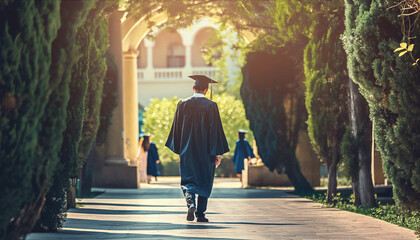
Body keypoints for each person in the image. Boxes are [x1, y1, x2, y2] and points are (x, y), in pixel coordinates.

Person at [166, 75, 229, 223]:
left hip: (187, 151)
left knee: (188, 180)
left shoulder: (182, 104)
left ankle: (190, 203)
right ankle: (200, 214)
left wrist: (180, 150)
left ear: (193, 88)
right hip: (206, 152)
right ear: (206, 90)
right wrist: (217, 153)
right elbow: (215, 131)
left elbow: (176, 130)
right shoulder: (211, 106)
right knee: (204, 181)